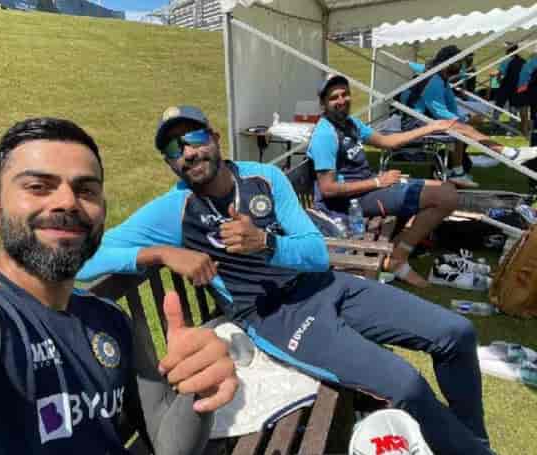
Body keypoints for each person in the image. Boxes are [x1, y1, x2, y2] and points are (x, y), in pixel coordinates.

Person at [77, 105, 497, 455]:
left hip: (324, 285)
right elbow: (82, 258)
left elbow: (315, 252)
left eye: (193, 137)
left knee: (456, 332)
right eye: (172, 147)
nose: (186, 152)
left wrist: (265, 243)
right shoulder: (174, 210)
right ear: (168, 161)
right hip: (278, 319)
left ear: (215, 136)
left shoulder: (265, 178)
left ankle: (472, 439)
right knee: (404, 385)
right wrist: (160, 253)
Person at [0, 117, 237, 454]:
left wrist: (200, 387)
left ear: (102, 211)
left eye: (85, 190)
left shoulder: (109, 318)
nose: (67, 202)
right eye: (38, 186)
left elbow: (169, 445)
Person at [308, 74, 460, 287]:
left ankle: (397, 254)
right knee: (446, 197)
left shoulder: (349, 123)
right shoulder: (325, 134)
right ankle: (398, 259)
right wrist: (378, 183)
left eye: (345, 94)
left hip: (368, 190)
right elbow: (328, 189)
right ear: (323, 103)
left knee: (447, 188)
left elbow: (387, 141)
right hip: (350, 204)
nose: (342, 100)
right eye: (335, 97)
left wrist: (430, 127)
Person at [401, 45, 537, 187]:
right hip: (413, 124)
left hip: (425, 120)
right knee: (461, 126)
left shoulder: (442, 79)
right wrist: (464, 120)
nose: (461, 66)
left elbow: (451, 106)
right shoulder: (434, 80)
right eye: (459, 63)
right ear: (450, 62)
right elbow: (439, 111)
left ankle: (458, 170)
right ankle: (509, 153)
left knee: (462, 126)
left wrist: (465, 119)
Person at [491, 42, 525, 124]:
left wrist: (496, 78)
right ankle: (512, 126)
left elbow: (499, 74)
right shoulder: (522, 61)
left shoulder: (506, 61)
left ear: (508, 50)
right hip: (518, 87)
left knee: (498, 106)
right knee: (513, 108)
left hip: (506, 86)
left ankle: (495, 124)